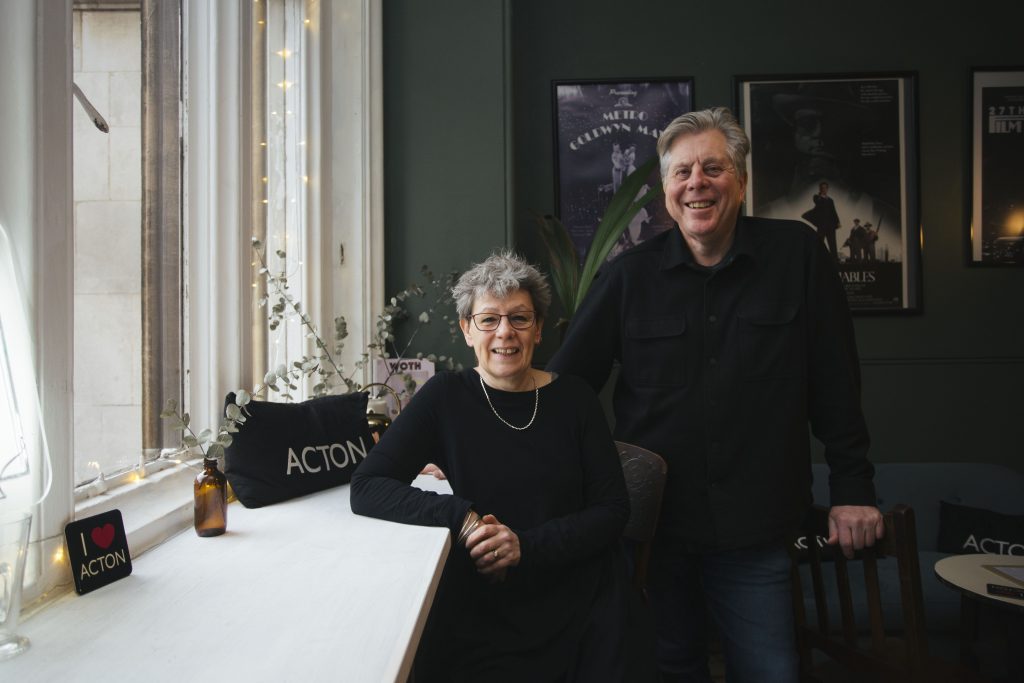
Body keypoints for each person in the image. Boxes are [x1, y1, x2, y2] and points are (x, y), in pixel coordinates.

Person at [548, 107, 883, 683]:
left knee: (771, 672)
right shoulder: (627, 277)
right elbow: (562, 390)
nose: (696, 182)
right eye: (682, 173)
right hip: (654, 535)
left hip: (755, 530)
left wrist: (852, 489)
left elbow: (835, 381)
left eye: (713, 167)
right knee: (669, 671)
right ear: (666, 190)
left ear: (742, 179)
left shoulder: (799, 256)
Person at [350, 251, 631, 682]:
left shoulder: (575, 399)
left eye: (519, 319)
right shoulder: (444, 398)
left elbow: (613, 510)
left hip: (579, 593)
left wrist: (526, 546)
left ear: (537, 330)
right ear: (466, 329)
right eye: (488, 319)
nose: (505, 332)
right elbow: (367, 485)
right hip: (489, 601)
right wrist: (463, 520)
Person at [801, 181, 841, 261]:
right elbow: (817, 202)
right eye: (822, 188)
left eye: (825, 188)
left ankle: (835, 259)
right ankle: (818, 259)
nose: (824, 189)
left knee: (832, 243)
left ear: (827, 189)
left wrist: (838, 221)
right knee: (819, 243)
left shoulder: (830, 200)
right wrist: (820, 195)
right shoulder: (816, 197)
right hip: (822, 225)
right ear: (820, 189)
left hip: (831, 225)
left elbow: (834, 211)